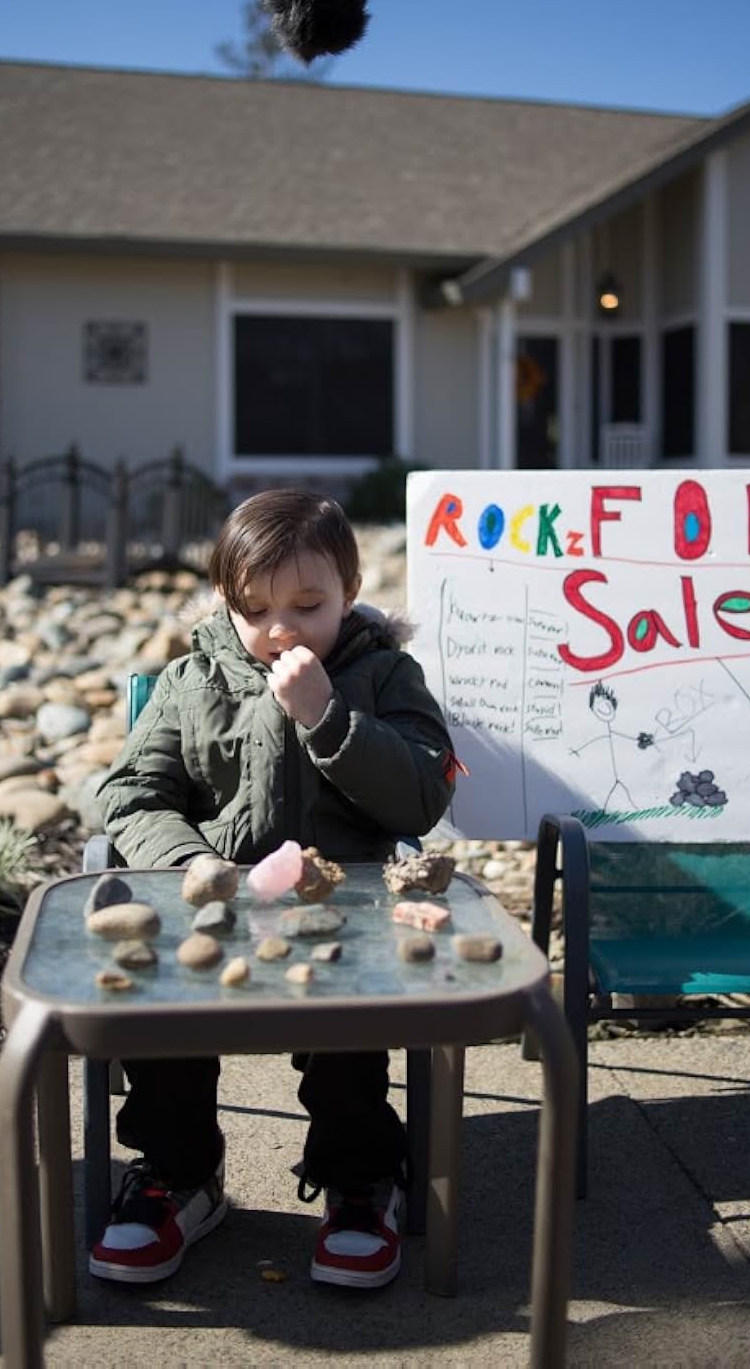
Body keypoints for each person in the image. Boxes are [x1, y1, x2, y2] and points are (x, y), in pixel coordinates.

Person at [90, 487, 456, 1290]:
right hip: (214, 902)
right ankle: (179, 1172)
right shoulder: (192, 679)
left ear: (349, 593)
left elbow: (424, 793)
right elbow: (131, 796)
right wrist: (191, 864)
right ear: (226, 599)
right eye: (254, 610)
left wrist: (329, 719)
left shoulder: (385, 674)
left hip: (343, 910)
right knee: (165, 1032)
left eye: (307, 606)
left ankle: (359, 1178)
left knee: (347, 1049)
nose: (281, 628)